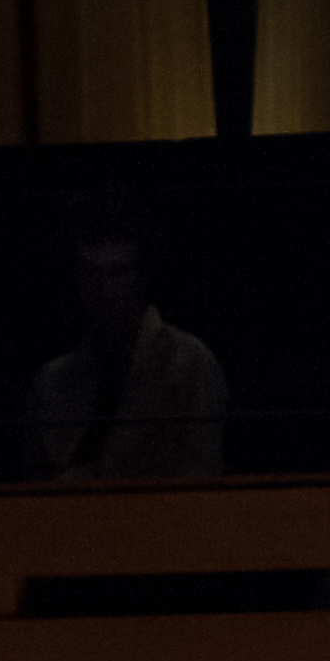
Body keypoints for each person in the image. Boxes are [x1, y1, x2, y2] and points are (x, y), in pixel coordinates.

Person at [27, 191, 226, 482]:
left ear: (143, 275)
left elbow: (201, 475)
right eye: (92, 274)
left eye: (118, 273)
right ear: (77, 280)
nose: (106, 290)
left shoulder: (190, 364)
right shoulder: (51, 381)